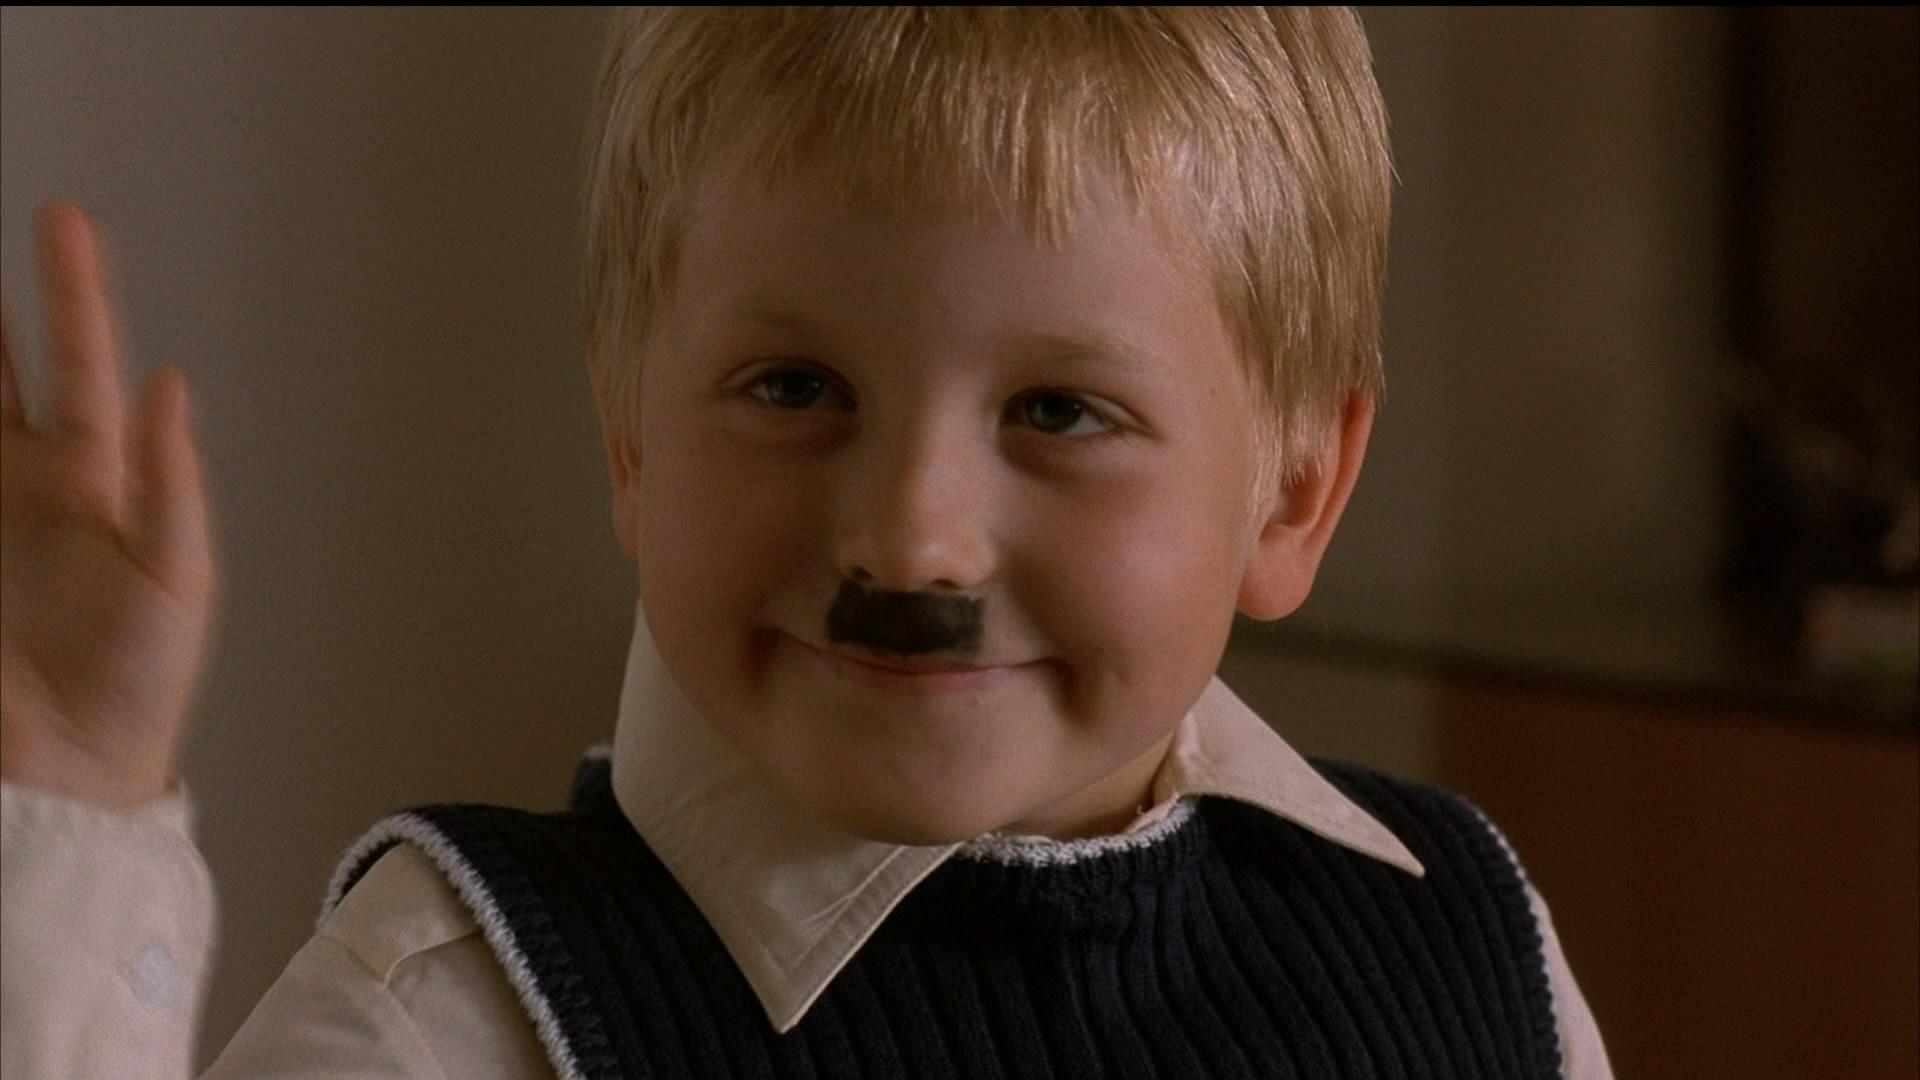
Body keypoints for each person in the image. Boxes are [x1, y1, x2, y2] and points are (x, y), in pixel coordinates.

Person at [1, 8, 1613, 1078]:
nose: (912, 545)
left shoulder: (1471, 949)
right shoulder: (459, 1012)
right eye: (795, 389)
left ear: (1295, 495)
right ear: (632, 439)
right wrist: (68, 809)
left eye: (1059, 413)